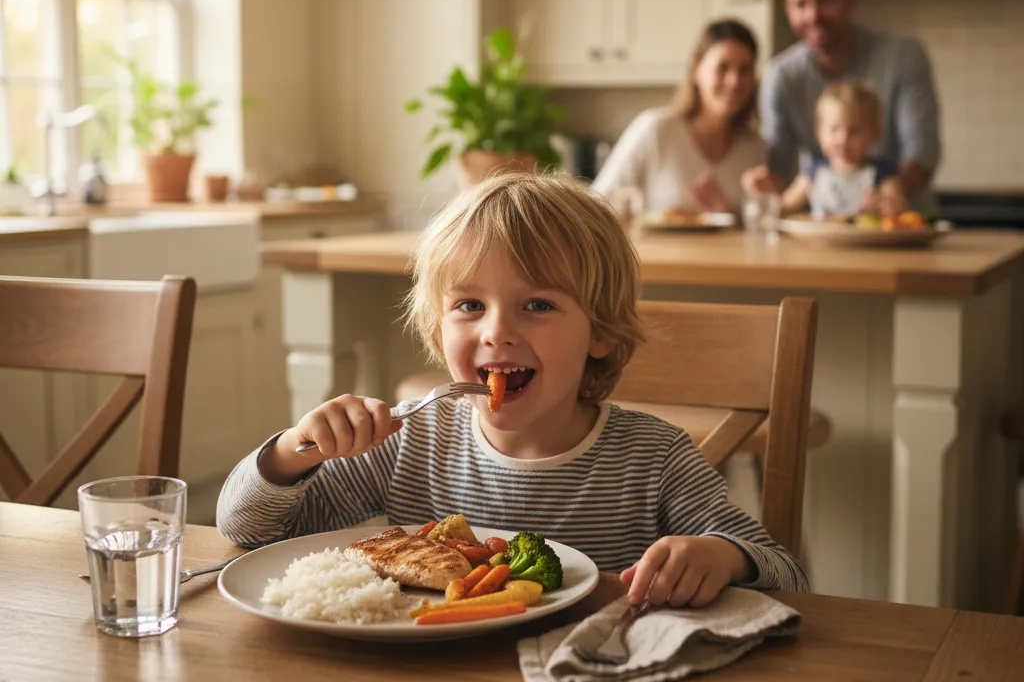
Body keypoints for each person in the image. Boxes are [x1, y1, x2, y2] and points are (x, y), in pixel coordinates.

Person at [217, 174, 807, 607]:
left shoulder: (654, 459)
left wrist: (723, 558)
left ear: (599, 331)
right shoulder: (410, 440)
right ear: (437, 329)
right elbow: (248, 530)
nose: (497, 330)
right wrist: (296, 451)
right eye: (469, 305)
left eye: (538, 305)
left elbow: (787, 575)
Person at [742, 0, 941, 211]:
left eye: (824, 0)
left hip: (902, 228)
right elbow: (779, 167)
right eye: (801, 4)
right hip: (823, 233)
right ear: (789, 10)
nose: (813, 15)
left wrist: (885, 195)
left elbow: (921, 152)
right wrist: (764, 186)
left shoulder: (903, 55)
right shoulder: (780, 75)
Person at [591, 19, 764, 215]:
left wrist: (727, 213)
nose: (734, 81)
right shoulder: (655, 129)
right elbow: (596, 203)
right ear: (696, 70)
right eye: (722, 67)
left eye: (745, 70)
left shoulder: (754, 147)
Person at [781, 82, 906, 218]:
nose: (843, 139)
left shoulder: (883, 176)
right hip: (819, 239)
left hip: (866, 239)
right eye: (834, 129)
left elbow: (900, 211)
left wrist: (884, 205)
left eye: (854, 131)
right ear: (819, 132)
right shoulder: (813, 174)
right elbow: (784, 207)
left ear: (875, 133)